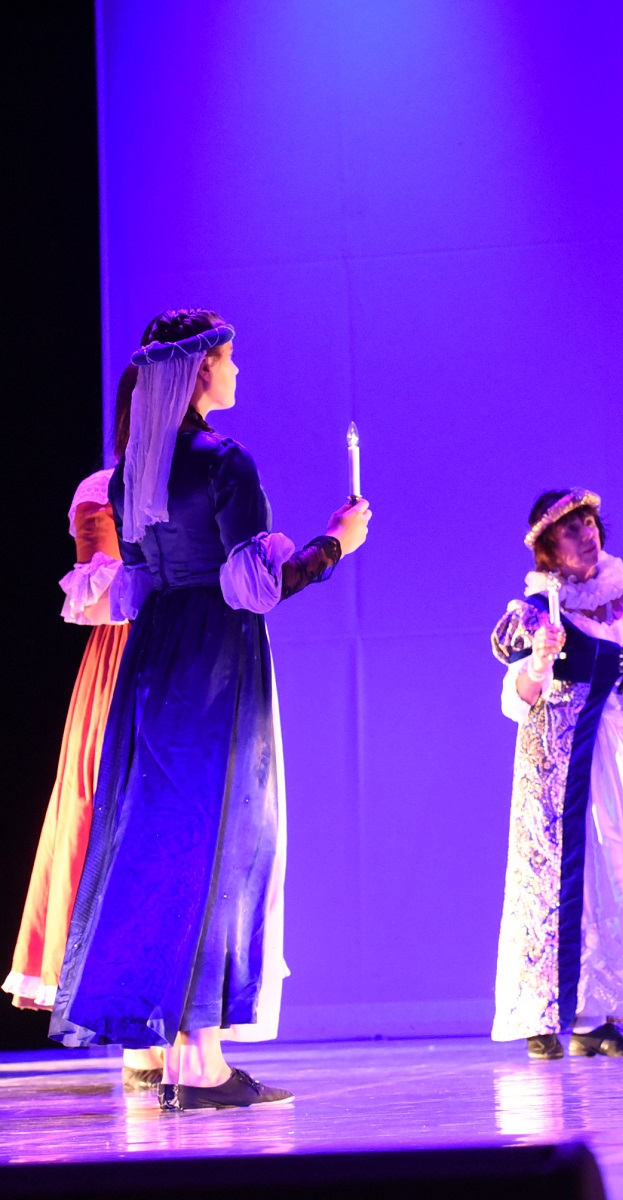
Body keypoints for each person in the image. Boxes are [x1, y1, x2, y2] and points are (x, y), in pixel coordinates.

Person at [49, 310, 372, 1110]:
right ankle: (200, 1063)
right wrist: (336, 542)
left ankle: (178, 1053)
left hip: (153, 659)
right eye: (228, 359)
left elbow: (135, 586)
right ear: (200, 371)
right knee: (225, 841)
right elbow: (256, 588)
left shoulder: (132, 473)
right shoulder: (224, 462)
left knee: (166, 844)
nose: (236, 371)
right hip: (215, 663)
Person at [6, 369, 164, 1090]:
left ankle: (183, 1024)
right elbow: (98, 598)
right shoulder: (104, 490)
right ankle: (134, 1030)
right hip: (130, 662)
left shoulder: (204, 476)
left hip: (191, 656)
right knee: (122, 824)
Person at [489, 488, 623, 1061]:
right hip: (575, 761)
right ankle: (564, 1014)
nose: (587, 534)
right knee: (583, 878)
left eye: (590, 523)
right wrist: (539, 658)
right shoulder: (535, 612)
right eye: (571, 529)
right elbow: (516, 688)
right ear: (548, 548)